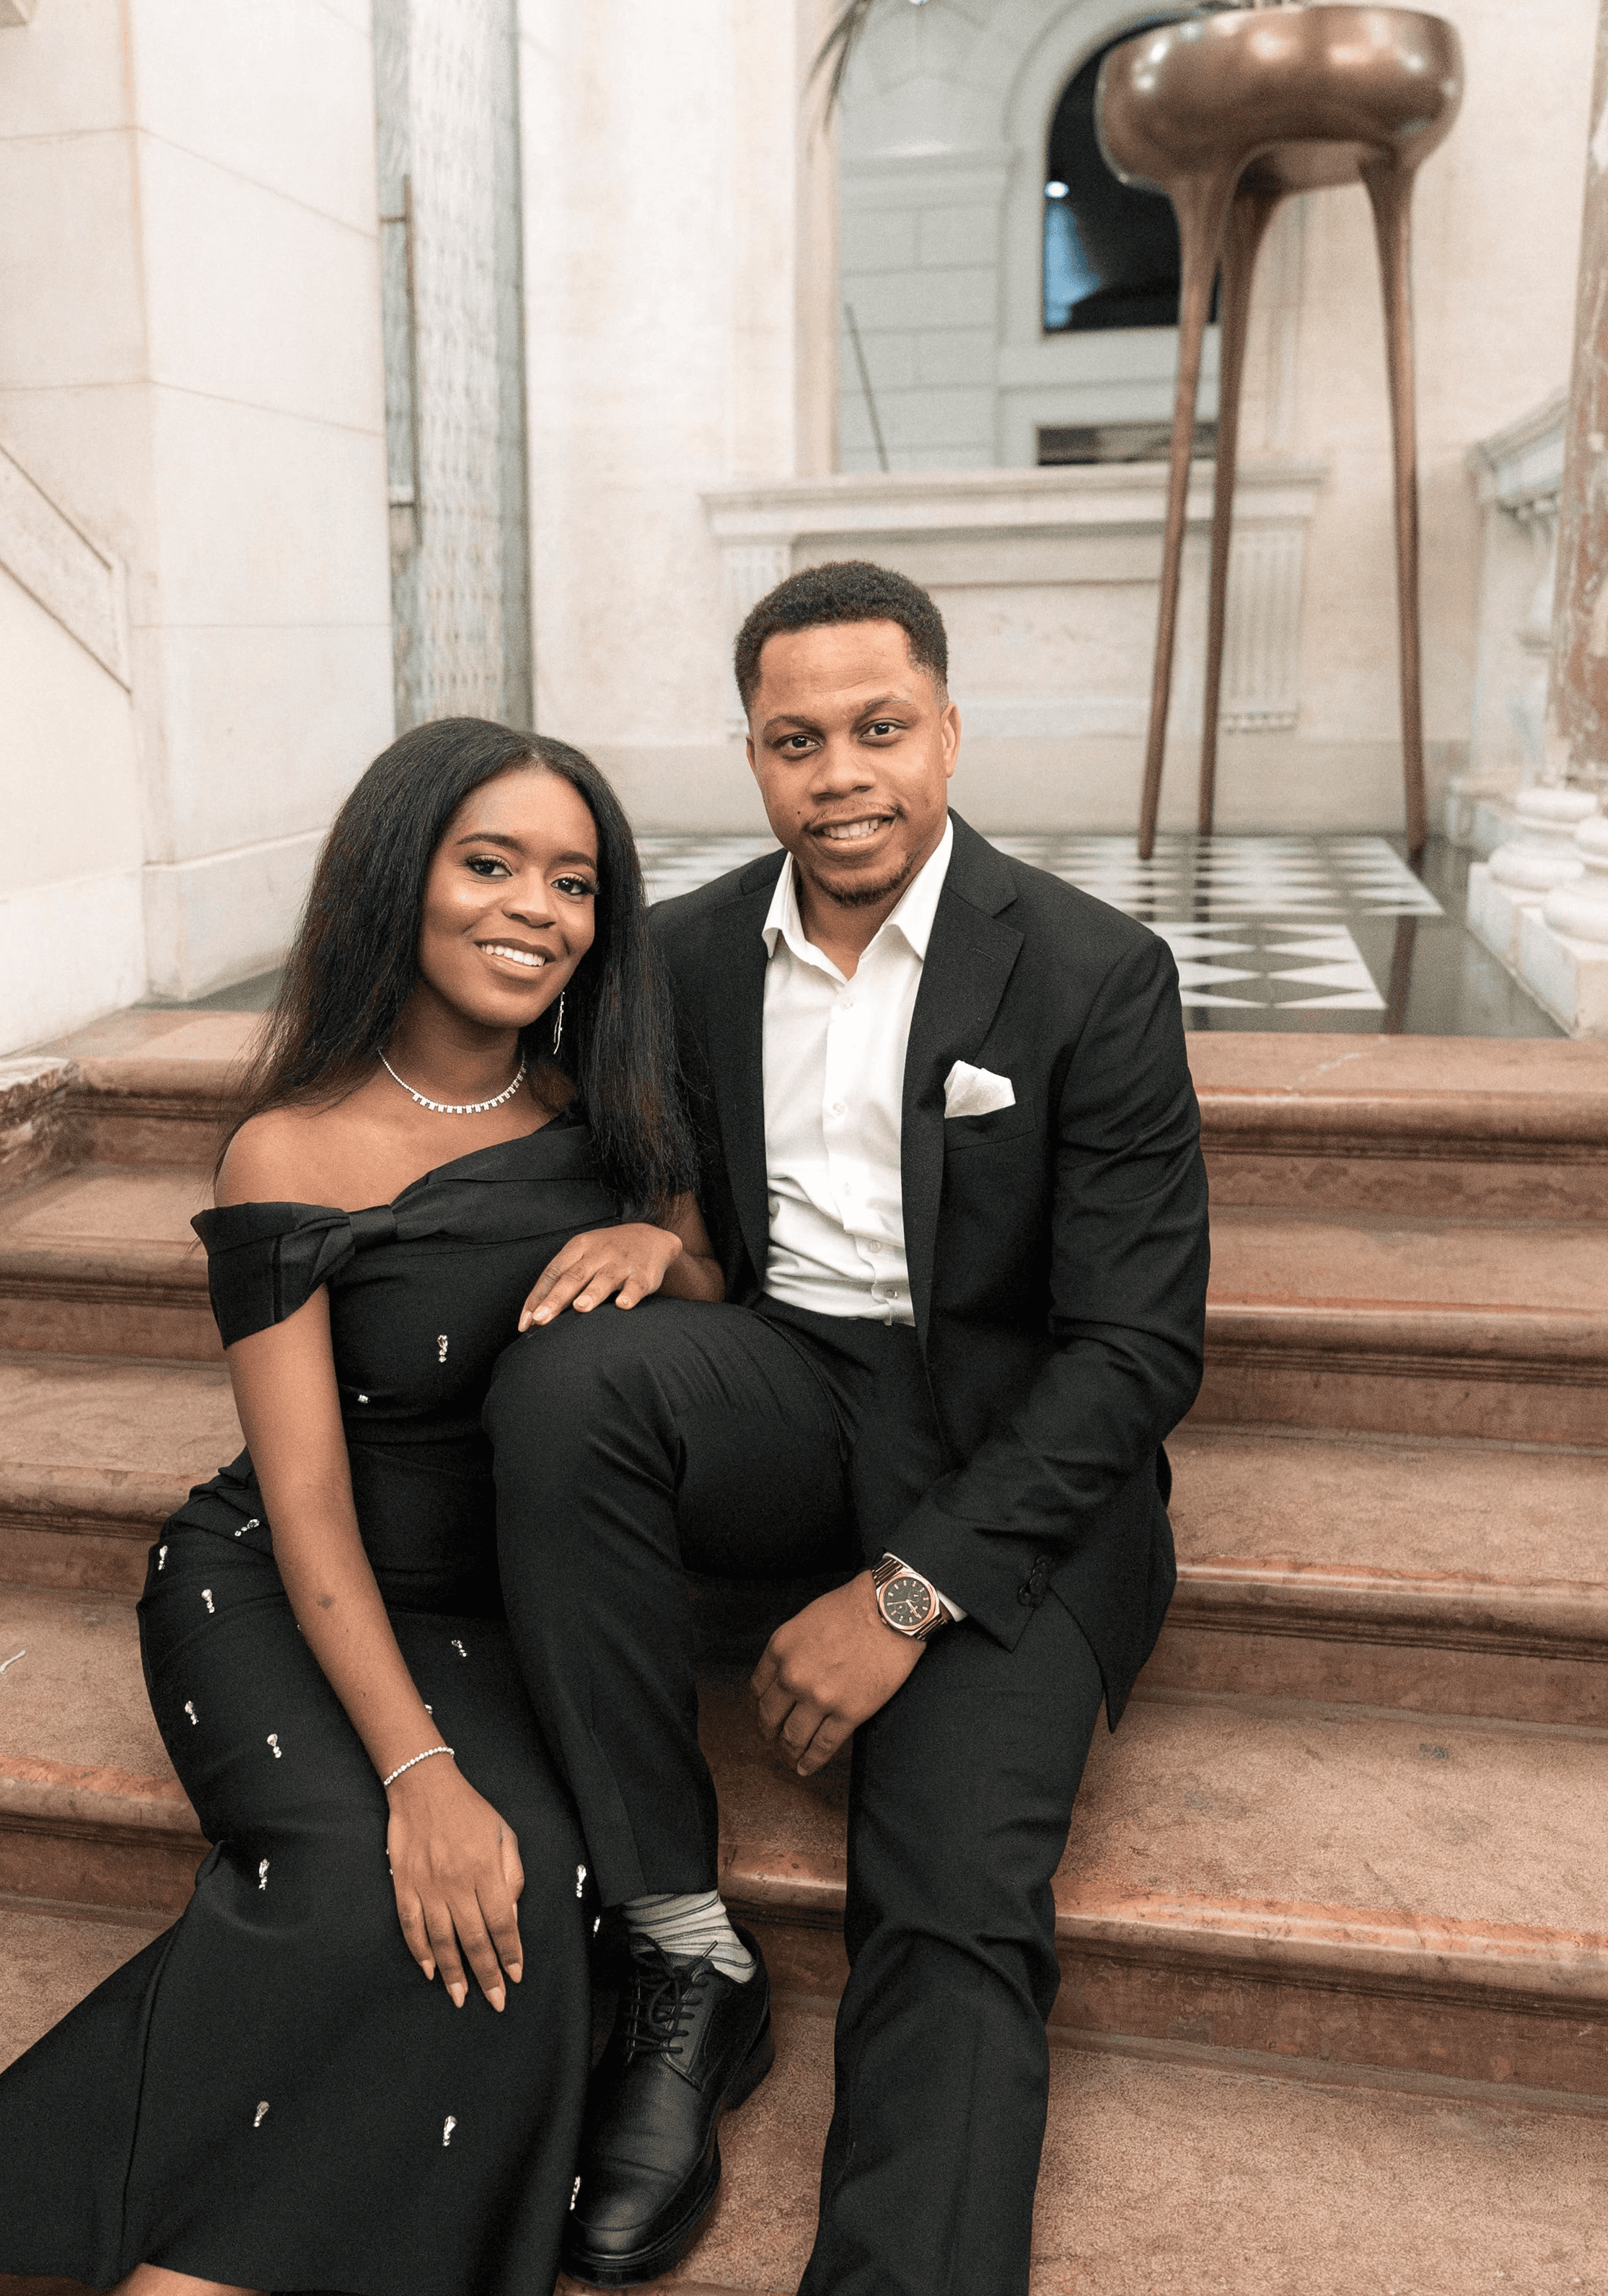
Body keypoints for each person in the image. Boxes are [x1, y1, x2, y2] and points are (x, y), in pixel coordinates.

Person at [0, 720, 723, 2296]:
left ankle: (184, 2267)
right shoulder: (285, 1149)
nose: (535, 909)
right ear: (399, 879)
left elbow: (703, 1273)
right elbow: (302, 1504)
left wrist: (663, 1254)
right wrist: (418, 1771)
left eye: (574, 881)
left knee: (527, 1898)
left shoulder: (610, 1114)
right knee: (373, 1881)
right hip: (281, 1591)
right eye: (489, 864)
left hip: (506, 1615)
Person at [487, 562, 1209, 2293]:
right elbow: (683, 1194)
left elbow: (1133, 1349)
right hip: (791, 1387)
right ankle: (680, 1949)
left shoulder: (1093, 974)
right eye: (794, 740)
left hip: (1009, 1450)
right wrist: (664, 1241)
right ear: (751, 757)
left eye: (879, 729)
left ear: (948, 733)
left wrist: (906, 1596)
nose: (841, 775)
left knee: (952, 1903)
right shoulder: (674, 957)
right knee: (562, 1375)